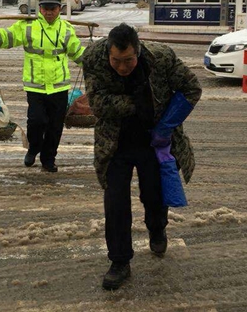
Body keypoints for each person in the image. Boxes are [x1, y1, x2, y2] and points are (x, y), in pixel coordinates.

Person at [82, 23, 202, 290]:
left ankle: (157, 228)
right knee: (115, 203)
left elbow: (192, 88)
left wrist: (166, 125)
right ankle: (119, 261)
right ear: (108, 55)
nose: (122, 67)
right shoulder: (93, 57)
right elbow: (98, 103)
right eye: (116, 61)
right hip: (115, 142)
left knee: (154, 196)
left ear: (138, 51)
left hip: (153, 142)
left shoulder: (161, 57)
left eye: (128, 61)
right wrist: (136, 103)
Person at [0, 0, 84, 173]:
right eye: (45, 8)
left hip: (59, 87)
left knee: (55, 127)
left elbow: (77, 53)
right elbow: (7, 37)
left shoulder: (66, 30)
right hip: (36, 87)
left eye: (53, 8)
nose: (49, 12)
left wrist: (96, 63)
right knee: (36, 121)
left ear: (60, 9)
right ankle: (34, 148)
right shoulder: (27, 27)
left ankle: (48, 159)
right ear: (40, 9)